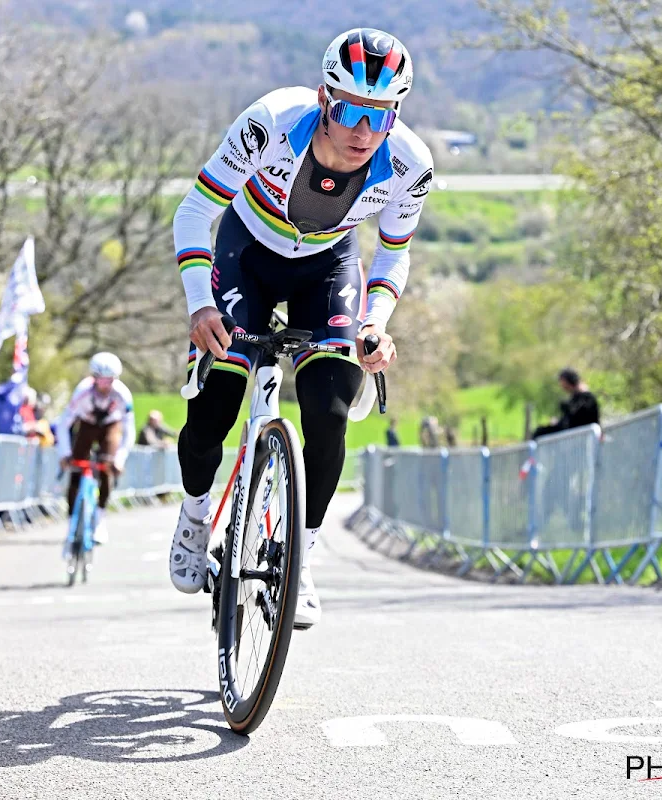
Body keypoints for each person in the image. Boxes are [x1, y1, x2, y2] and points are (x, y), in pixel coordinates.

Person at [167, 28, 432, 629]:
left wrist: (375, 325)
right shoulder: (268, 123)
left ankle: (302, 558)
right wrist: (198, 305)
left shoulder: (411, 164)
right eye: (351, 112)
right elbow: (195, 212)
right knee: (215, 405)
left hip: (327, 264)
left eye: (381, 115)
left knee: (331, 409)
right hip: (248, 252)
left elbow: (394, 252)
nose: (364, 132)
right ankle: (193, 512)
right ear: (323, 99)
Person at [54, 353, 136, 545]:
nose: (105, 384)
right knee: (76, 469)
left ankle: (100, 519)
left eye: (110, 380)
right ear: (93, 377)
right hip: (87, 424)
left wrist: (120, 459)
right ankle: (71, 524)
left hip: (110, 425)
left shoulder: (123, 395)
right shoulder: (82, 391)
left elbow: (129, 430)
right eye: (101, 379)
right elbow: (63, 424)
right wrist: (65, 454)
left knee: (106, 467)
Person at [532, 368, 601, 439]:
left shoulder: (587, 398)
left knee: (540, 432)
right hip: (574, 435)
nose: (562, 386)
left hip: (583, 438)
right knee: (539, 431)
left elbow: (576, 417)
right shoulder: (575, 398)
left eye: (562, 382)